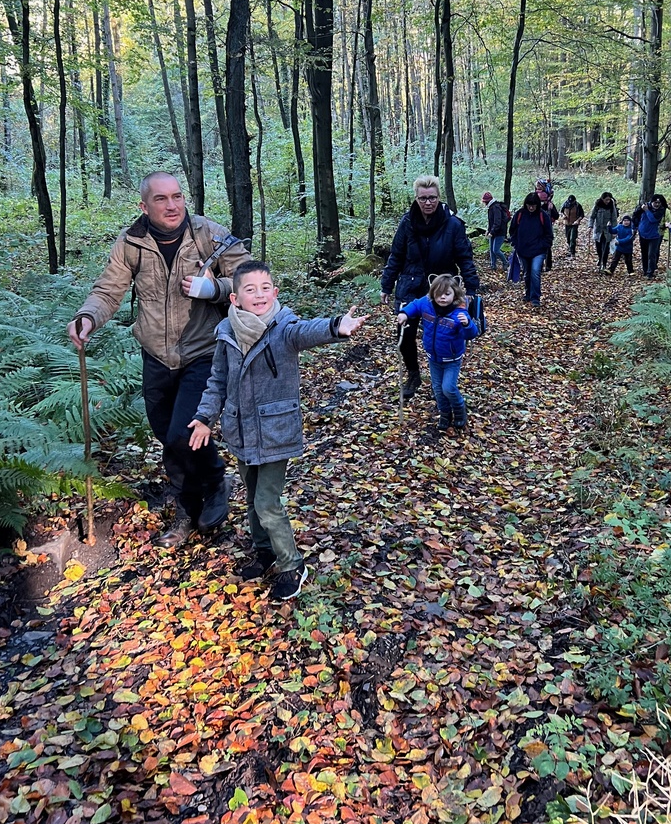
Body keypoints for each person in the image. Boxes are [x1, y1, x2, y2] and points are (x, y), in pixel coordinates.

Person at [68, 173, 252, 547]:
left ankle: (212, 485)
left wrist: (214, 288)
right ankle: (191, 501)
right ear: (144, 206)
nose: (172, 206)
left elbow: (251, 281)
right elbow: (108, 290)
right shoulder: (132, 242)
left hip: (202, 351)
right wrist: (88, 317)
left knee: (183, 433)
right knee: (167, 436)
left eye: (177, 197)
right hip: (155, 354)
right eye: (162, 199)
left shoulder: (209, 235)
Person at [188, 262, 367, 595]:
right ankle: (265, 552)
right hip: (241, 431)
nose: (259, 295)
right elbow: (218, 381)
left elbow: (305, 331)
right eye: (250, 289)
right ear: (235, 298)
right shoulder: (227, 332)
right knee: (253, 497)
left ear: (275, 292)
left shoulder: (283, 328)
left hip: (274, 431)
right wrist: (204, 417)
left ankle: (291, 564)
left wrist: (337, 326)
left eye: (265, 287)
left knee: (266, 501)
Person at [381, 175, 479, 401]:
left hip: (443, 288)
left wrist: (471, 288)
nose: (428, 202)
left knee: (442, 334)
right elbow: (396, 255)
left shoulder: (453, 225)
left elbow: (465, 257)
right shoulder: (407, 223)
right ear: (416, 198)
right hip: (410, 286)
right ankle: (413, 374)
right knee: (404, 335)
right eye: (423, 198)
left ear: (439, 198)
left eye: (432, 198)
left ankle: (443, 381)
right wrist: (387, 285)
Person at [397, 273, 479, 433]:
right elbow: (415, 305)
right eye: (438, 294)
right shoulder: (427, 304)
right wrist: (405, 313)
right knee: (438, 389)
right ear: (432, 293)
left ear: (454, 294)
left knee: (448, 387)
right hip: (433, 357)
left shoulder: (458, 313)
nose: (442, 298)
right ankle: (445, 414)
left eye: (447, 294)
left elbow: (471, 334)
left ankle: (459, 409)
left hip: (452, 358)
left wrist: (467, 324)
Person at [509, 192, 554, 309]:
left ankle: (535, 298)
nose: (531, 207)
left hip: (538, 251)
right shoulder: (519, 214)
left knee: (535, 272)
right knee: (527, 273)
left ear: (537, 205)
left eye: (533, 205)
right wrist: (516, 243)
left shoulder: (542, 215)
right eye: (529, 205)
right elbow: (512, 230)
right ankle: (528, 293)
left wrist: (544, 245)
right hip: (523, 250)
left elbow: (549, 234)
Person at [632, 193, 668, 278]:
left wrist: (647, 210)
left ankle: (650, 272)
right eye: (655, 202)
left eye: (659, 203)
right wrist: (635, 227)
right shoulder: (643, 207)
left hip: (654, 235)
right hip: (643, 234)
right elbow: (635, 216)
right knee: (644, 253)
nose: (657, 204)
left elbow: (653, 219)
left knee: (651, 254)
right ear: (651, 202)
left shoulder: (661, 210)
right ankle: (645, 270)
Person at [588, 192, 619, 271]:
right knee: (598, 248)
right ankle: (600, 258)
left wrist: (614, 231)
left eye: (609, 199)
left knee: (605, 248)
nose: (608, 201)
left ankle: (604, 264)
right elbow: (592, 217)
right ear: (602, 198)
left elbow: (614, 219)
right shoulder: (597, 205)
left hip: (607, 230)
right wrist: (590, 226)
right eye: (606, 200)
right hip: (598, 230)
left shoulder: (611, 206)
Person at [482, 192, 510, 271]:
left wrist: (492, 232)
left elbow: (497, 222)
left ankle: (505, 262)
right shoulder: (491, 207)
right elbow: (491, 221)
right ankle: (493, 266)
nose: (484, 203)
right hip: (494, 231)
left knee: (495, 250)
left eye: (485, 201)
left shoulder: (496, 207)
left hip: (500, 232)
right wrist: (488, 230)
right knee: (491, 249)